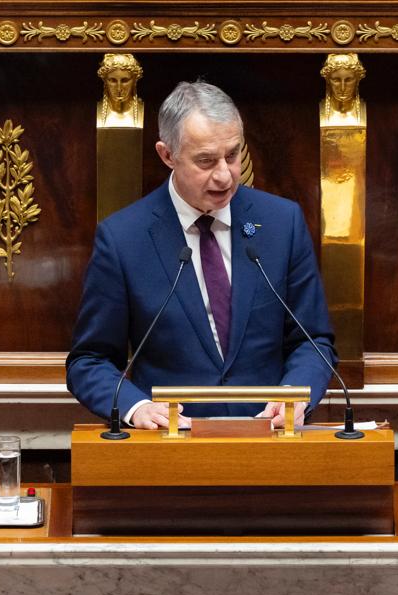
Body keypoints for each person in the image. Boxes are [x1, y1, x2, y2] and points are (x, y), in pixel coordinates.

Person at [66, 81, 337, 430]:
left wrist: (294, 395)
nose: (224, 176)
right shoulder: (123, 239)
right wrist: (137, 407)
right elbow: (89, 360)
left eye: (233, 155)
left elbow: (313, 340)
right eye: (206, 161)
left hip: (269, 440)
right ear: (167, 155)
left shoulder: (281, 224)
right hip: (170, 443)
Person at [96, 53, 144, 129]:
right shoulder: (96, 111)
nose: (119, 88)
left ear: (135, 80)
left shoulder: (142, 110)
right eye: (113, 80)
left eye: (125, 80)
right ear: (105, 81)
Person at [320, 53, 367, 126]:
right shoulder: (321, 110)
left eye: (348, 80)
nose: (342, 88)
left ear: (358, 80)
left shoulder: (365, 110)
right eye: (336, 80)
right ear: (328, 80)